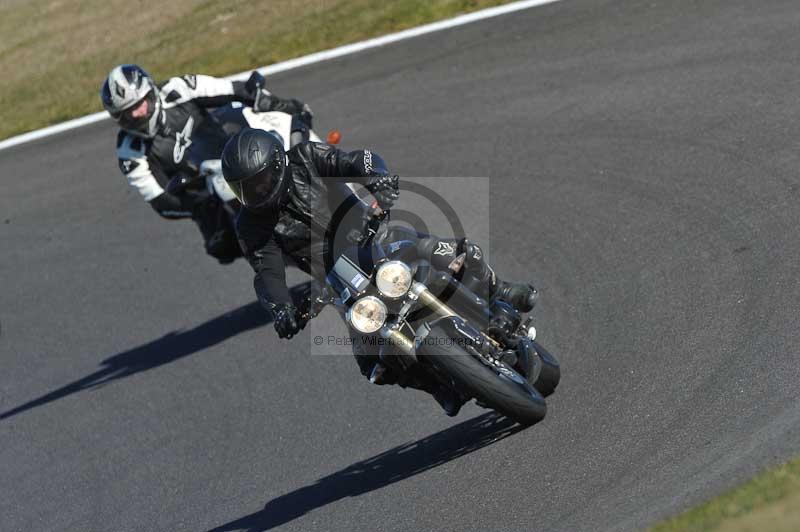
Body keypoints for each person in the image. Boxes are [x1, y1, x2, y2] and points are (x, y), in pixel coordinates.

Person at [220, 128, 537, 414]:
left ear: (278, 165)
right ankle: (439, 385)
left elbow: (359, 160)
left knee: (452, 253)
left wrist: (377, 180)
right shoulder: (250, 226)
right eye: (244, 189)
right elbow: (267, 273)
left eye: (260, 182)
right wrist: (281, 308)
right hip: (337, 279)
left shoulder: (305, 157)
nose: (256, 193)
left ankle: (501, 292)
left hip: (373, 234)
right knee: (371, 362)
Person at [100, 63, 312, 263]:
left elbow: (232, 89)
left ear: (150, 93)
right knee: (222, 246)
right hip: (208, 190)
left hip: (239, 150)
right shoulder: (129, 151)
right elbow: (160, 201)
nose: (136, 114)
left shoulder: (178, 89)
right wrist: (198, 202)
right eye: (127, 113)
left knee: (291, 120)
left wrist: (271, 102)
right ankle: (286, 269)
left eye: (138, 104)